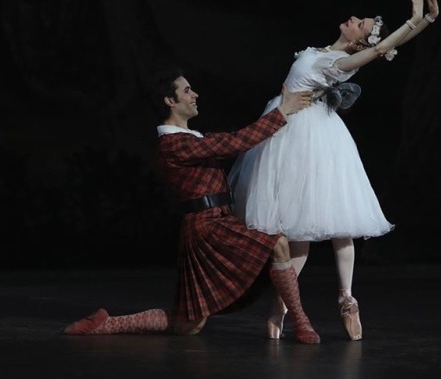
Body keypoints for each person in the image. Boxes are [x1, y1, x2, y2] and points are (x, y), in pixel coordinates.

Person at [228, 0, 439, 341]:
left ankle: (346, 297)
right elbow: (381, 47)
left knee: (338, 220)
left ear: (360, 42)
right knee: (298, 232)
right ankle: (283, 304)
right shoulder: (322, 51)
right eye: (360, 18)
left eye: (361, 23)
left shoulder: (341, 63)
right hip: (289, 131)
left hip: (313, 137)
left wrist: (420, 20)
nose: (354, 19)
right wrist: (425, 19)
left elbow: (382, 48)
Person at [63, 68, 322, 344]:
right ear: (170, 101)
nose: (195, 94)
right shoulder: (172, 144)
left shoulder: (193, 138)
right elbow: (234, 142)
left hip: (217, 220)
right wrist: (282, 111)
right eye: (187, 90)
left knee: (188, 326)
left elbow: (232, 141)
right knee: (276, 244)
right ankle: (300, 322)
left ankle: (106, 324)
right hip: (206, 227)